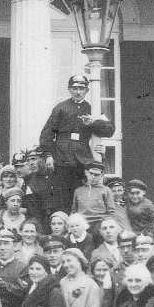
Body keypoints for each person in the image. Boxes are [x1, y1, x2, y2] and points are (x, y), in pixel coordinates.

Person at [39, 74, 115, 211]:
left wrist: (93, 122)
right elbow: (47, 133)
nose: (78, 92)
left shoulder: (93, 109)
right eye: (75, 88)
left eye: (81, 88)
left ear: (87, 90)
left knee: (82, 191)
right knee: (62, 194)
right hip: (62, 156)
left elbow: (109, 130)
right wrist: (48, 154)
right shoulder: (61, 108)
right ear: (69, 89)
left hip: (83, 157)